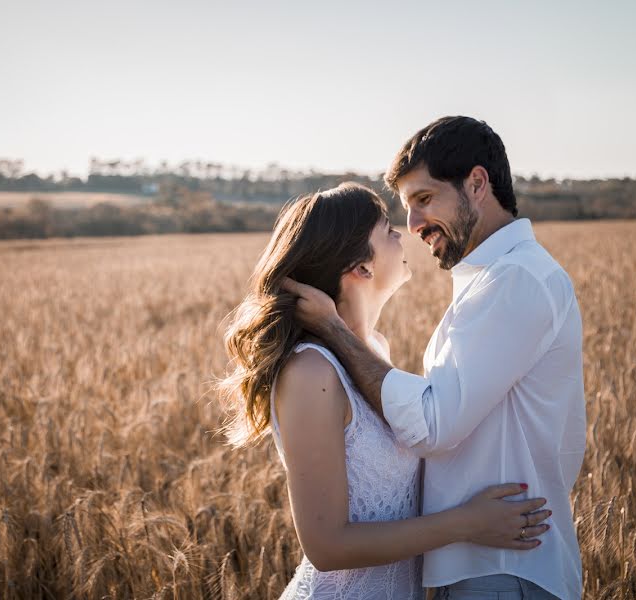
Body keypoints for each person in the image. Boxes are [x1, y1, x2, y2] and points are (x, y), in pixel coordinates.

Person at [282, 117, 586, 599]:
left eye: (423, 200)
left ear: (477, 184)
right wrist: (460, 526)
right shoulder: (491, 282)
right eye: (401, 214)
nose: (413, 226)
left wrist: (336, 331)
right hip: (477, 562)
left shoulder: (516, 280)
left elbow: (431, 422)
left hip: (504, 566)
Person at [218, 182, 552, 600]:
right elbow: (326, 545)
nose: (406, 234)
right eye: (389, 231)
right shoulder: (311, 372)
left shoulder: (375, 350)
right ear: (362, 266)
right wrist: (469, 523)